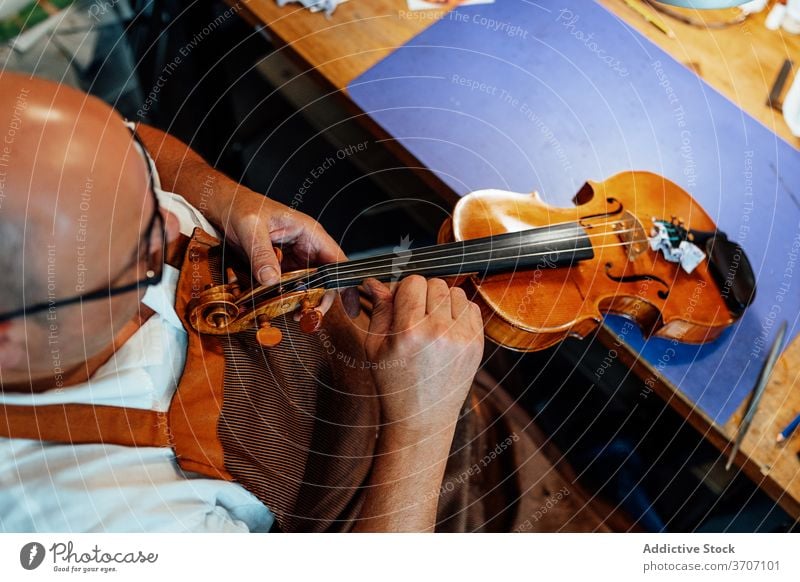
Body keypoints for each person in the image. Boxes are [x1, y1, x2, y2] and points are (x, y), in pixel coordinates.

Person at [0, 72, 621, 533]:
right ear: (11, 340)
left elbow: (131, 143)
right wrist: (420, 426)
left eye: (147, 190)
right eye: (139, 248)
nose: (171, 223)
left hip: (408, 380)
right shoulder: (90, 518)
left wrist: (226, 198)